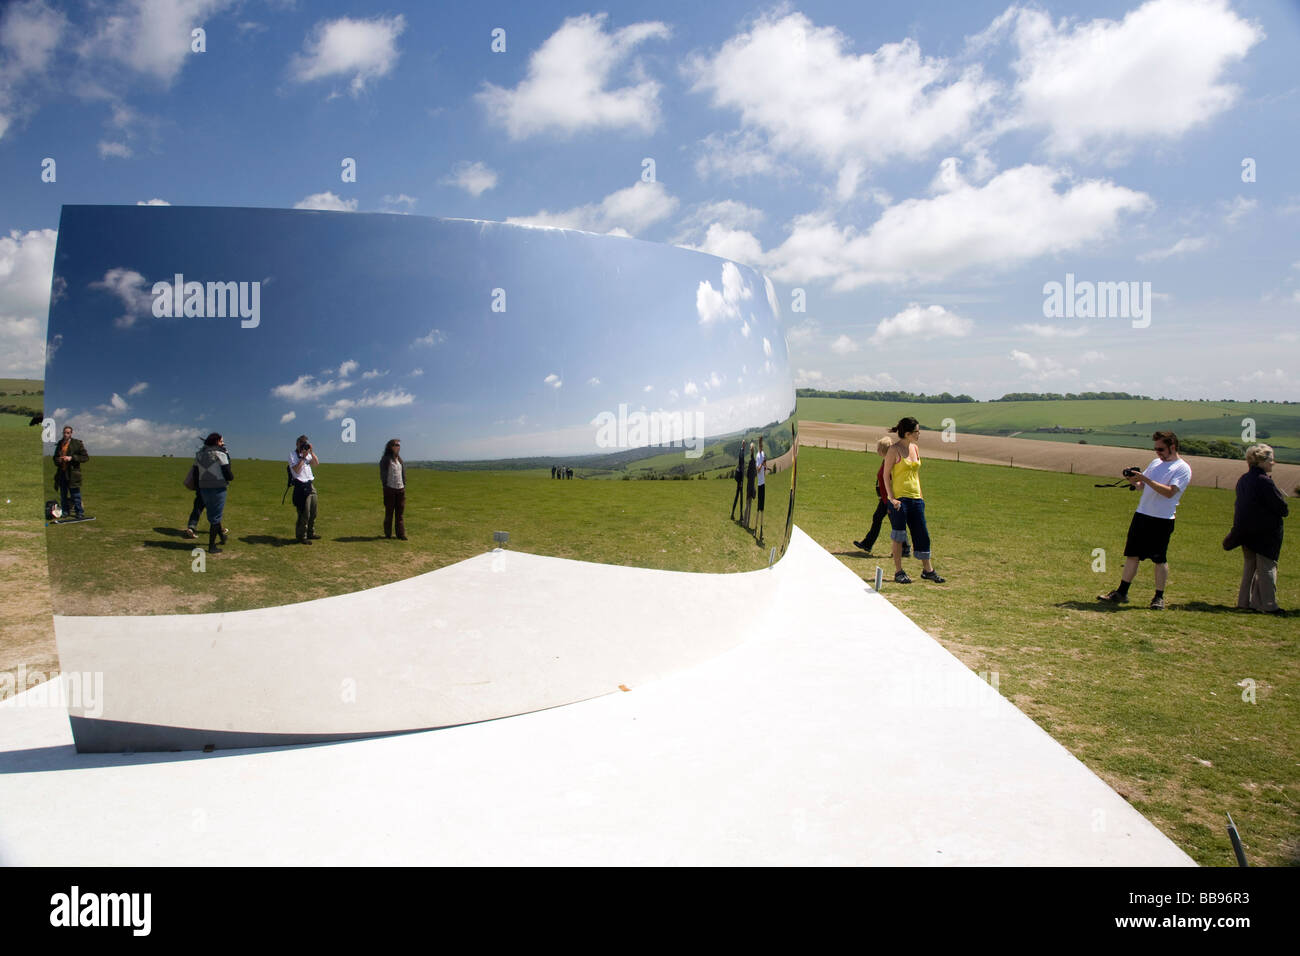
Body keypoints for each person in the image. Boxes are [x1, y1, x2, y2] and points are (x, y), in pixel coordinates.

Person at [1098, 431, 1192, 610]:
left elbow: (1170, 492)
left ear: (1172, 447)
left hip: (1162, 519)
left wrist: (1145, 479)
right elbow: (1141, 486)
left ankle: (1158, 597)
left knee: (1159, 559)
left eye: (1161, 449)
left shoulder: (1182, 468)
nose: (1158, 453)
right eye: (1155, 449)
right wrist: (1133, 480)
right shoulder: (1156, 463)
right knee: (1132, 555)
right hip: (1142, 514)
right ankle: (1121, 592)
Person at [1225, 444, 1289, 614]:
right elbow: (1282, 508)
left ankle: (1244, 602)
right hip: (1266, 533)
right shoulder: (1265, 481)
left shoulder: (1244, 479)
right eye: (1270, 459)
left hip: (1245, 531)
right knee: (1267, 567)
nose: (1273, 463)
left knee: (1249, 567)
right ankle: (1269, 605)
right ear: (1261, 461)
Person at [881, 417, 944, 584]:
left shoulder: (915, 448)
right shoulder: (893, 450)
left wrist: (921, 496)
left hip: (916, 499)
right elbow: (885, 475)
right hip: (900, 500)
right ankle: (899, 572)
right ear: (907, 433)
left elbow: (915, 474)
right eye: (916, 431)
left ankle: (928, 570)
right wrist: (891, 498)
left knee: (922, 534)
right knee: (899, 536)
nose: (919, 434)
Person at [854, 435, 911, 558]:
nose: (877, 450)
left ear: (883, 449)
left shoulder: (890, 461)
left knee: (895, 522)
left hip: (890, 498)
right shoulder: (885, 460)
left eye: (879, 448)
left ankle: (905, 548)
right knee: (879, 518)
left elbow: (891, 481)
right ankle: (867, 544)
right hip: (885, 498)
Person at [194, 433, 233, 554]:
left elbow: (195, 472)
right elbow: (227, 472)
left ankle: (222, 537)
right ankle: (212, 546)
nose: (223, 443)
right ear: (216, 441)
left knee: (214, 513)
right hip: (218, 487)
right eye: (221, 441)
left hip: (203, 487)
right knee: (215, 517)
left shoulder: (199, 454)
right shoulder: (220, 453)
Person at [52, 425, 89, 519]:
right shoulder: (60, 443)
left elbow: (85, 457)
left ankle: (79, 512)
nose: (65, 434)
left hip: (73, 473)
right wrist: (59, 460)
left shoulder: (77, 443)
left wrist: (72, 458)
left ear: (71, 434)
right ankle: (65, 512)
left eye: (68, 433)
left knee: (75, 494)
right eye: (64, 432)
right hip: (62, 473)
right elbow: (55, 457)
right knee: (63, 494)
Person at [290, 434, 320, 545]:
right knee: (304, 513)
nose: (304, 445)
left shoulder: (307, 455)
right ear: (297, 444)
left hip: (310, 484)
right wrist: (302, 457)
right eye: (302, 443)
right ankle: (301, 536)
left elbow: (316, 463)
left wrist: (311, 452)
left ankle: (311, 532)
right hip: (301, 486)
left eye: (305, 443)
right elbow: (296, 470)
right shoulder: (293, 455)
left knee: (313, 511)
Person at [380, 438, 407, 540]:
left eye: (399, 445)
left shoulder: (399, 459)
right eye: (396, 445)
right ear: (390, 447)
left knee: (400, 513)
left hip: (400, 489)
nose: (398, 447)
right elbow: (383, 474)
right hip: (390, 489)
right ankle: (388, 534)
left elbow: (402, 473)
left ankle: (401, 534)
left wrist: (404, 484)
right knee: (389, 512)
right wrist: (385, 486)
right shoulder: (386, 459)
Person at [754, 436, 768, 542]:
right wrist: (762, 465)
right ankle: (755, 529)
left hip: (764, 484)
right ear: (758, 445)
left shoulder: (763, 454)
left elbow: (764, 468)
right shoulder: (758, 456)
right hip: (759, 484)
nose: (761, 446)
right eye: (760, 444)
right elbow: (758, 470)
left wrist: (765, 466)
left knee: (763, 508)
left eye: (762, 444)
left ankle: (761, 532)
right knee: (758, 508)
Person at [730, 440, 747, 520]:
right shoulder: (742, 453)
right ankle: (740, 516)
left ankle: (734, 514)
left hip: (739, 478)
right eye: (744, 444)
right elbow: (741, 467)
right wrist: (741, 481)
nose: (744, 445)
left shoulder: (740, 451)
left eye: (744, 444)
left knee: (738, 496)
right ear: (742, 444)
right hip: (740, 479)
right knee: (739, 497)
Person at [744, 443, 757, 529]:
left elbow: (748, 474)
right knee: (750, 505)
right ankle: (748, 523)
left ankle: (745, 523)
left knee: (747, 504)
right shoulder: (755, 462)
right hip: (752, 486)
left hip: (749, 485)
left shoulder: (750, 462)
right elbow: (755, 474)